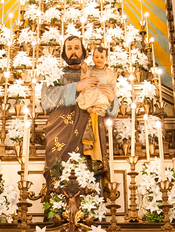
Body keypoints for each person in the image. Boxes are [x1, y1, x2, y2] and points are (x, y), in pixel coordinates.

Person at [41, 36, 119, 183]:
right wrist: (77, 87)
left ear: (83, 51)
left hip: (90, 128)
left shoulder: (96, 73)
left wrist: (111, 99)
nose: (73, 52)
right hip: (62, 130)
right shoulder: (54, 75)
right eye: (69, 48)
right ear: (64, 52)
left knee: (90, 174)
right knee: (59, 172)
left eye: (77, 48)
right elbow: (46, 100)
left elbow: (111, 109)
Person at [76, 45, 116, 116]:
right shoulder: (89, 69)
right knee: (87, 93)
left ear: (106, 59)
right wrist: (84, 70)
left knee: (102, 96)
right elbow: (84, 79)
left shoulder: (110, 73)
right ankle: (89, 107)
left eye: (102, 57)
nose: (99, 59)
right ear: (93, 58)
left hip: (102, 91)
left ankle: (98, 108)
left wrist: (111, 93)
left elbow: (112, 86)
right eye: (96, 57)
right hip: (91, 89)